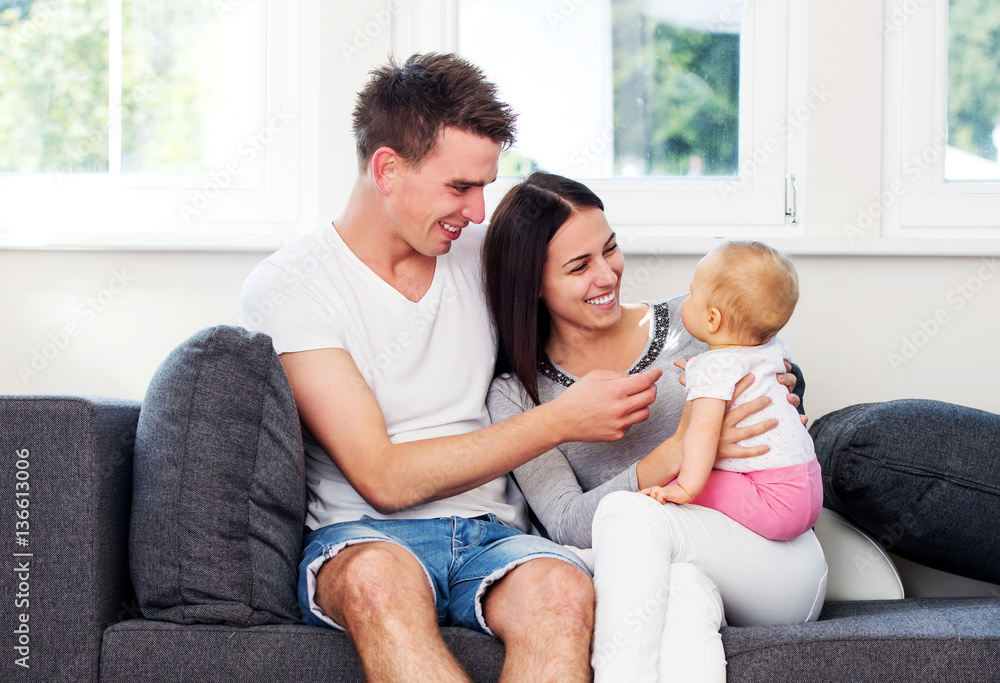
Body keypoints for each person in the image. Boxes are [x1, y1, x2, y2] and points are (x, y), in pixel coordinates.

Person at [239, 53, 664, 683]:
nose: (479, 210)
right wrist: (561, 422)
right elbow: (383, 478)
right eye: (460, 187)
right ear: (386, 168)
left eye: (486, 186)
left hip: (492, 532)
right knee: (379, 582)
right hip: (363, 537)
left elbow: (592, 306)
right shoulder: (292, 285)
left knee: (563, 593)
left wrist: (737, 363)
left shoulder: (478, 254)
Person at [484, 172, 828, 683]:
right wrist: (681, 450)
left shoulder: (701, 320)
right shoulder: (518, 395)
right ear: (532, 282)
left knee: (629, 511)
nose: (606, 275)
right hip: (681, 570)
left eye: (611, 249)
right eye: (579, 266)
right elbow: (567, 521)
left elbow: (779, 386)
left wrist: (788, 391)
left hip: (776, 558)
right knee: (680, 589)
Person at [640, 241, 823, 542]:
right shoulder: (773, 349)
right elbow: (741, 371)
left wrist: (685, 487)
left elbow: (703, 432)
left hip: (773, 501)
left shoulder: (713, 368)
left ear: (712, 319)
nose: (685, 298)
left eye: (691, 293)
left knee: (664, 496)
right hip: (810, 487)